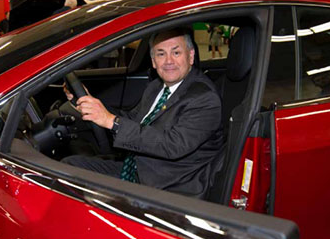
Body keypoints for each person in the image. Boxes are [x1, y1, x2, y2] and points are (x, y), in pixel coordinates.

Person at [62, 28, 224, 199]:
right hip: (138, 169)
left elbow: (172, 145)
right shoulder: (156, 87)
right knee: (69, 167)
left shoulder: (204, 98)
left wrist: (112, 121)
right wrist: (90, 104)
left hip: (169, 186)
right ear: (153, 62)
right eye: (161, 54)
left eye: (176, 52)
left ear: (190, 56)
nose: (169, 61)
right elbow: (134, 119)